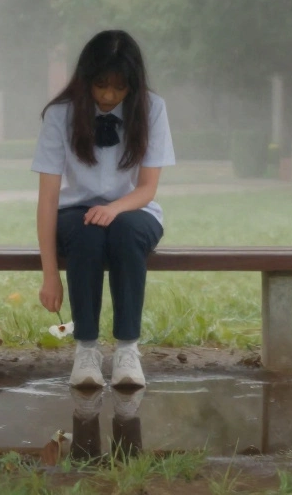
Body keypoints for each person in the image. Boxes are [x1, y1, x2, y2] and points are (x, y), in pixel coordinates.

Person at [32, 30, 175, 390]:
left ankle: (128, 350)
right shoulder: (59, 115)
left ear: (133, 85)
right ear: (85, 80)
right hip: (76, 213)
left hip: (135, 210)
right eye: (100, 86)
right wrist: (50, 274)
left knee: (125, 231)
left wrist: (114, 209)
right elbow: (48, 198)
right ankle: (86, 350)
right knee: (87, 231)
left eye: (119, 87)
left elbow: (147, 188)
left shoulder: (152, 109)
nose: (109, 96)